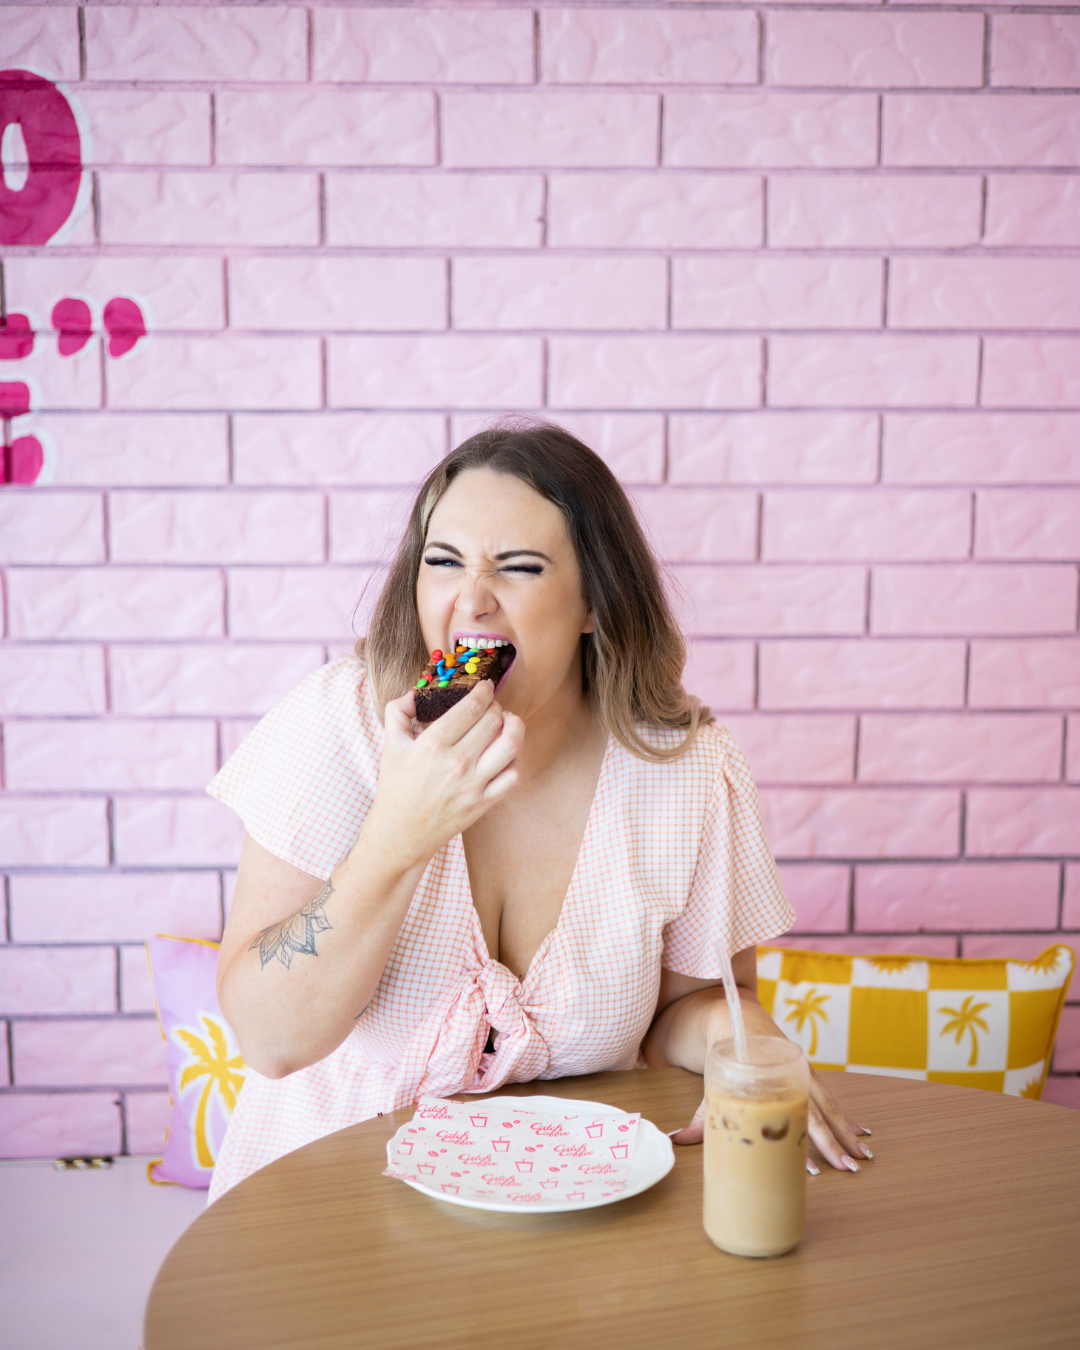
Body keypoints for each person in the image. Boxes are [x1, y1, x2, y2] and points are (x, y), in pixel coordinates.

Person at [209, 422, 870, 1202]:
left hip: (564, 1203)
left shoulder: (685, 771)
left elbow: (689, 1006)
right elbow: (270, 1040)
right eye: (443, 562)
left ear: (595, 601)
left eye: (519, 568)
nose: (471, 600)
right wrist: (397, 835)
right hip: (321, 1200)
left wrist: (742, 1038)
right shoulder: (338, 725)